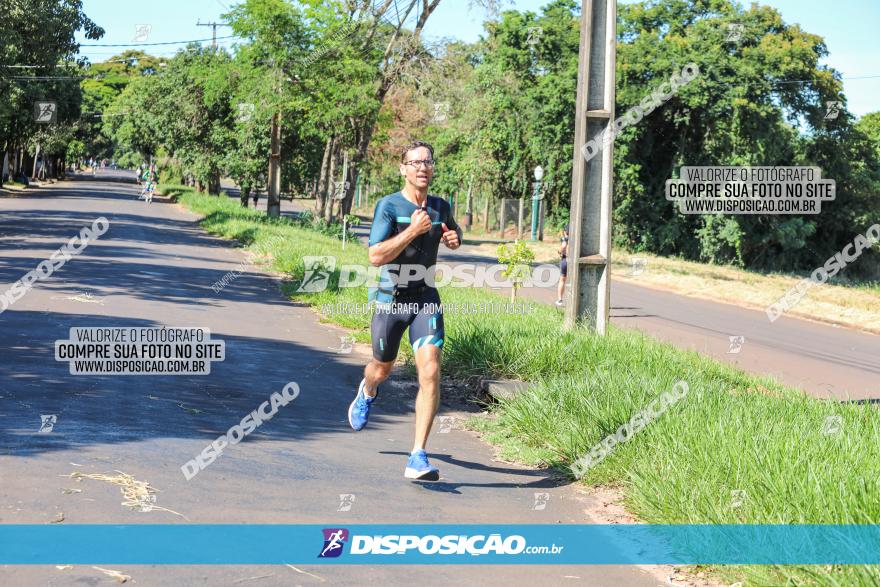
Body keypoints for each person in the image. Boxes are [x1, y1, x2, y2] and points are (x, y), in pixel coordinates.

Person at [348, 140, 462, 481]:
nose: (422, 167)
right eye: (415, 162)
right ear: (403, 168)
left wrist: (454, 238)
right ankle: (367, 391)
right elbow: (375, 256)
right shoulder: (388, 205)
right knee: (382, 369)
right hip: (390, 300)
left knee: (430, 371)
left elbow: (452, 231)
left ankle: (417, 456)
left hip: (426, 297)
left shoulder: (441, 205)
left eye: (427, 161)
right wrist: (412, 230)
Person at [556, 224, 569, 306]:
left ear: (565, 232)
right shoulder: (576, 239)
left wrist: (559, 251)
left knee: (562, 280)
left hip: (566, 260)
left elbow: (563, 247)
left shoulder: (565, 239)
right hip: (574, 261)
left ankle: (560, 299)